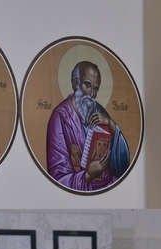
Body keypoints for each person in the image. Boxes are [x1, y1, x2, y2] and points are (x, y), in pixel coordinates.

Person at [46, 61, 130, 191]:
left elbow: (123, 164)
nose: (92, 94)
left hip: (109, 185)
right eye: (87, 85)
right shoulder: (60, 117)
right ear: (75, 83)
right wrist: (88, 175)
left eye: (95, 89)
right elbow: (57, 177)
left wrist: (110, 123)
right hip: (81, 188)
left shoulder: (99, 110)